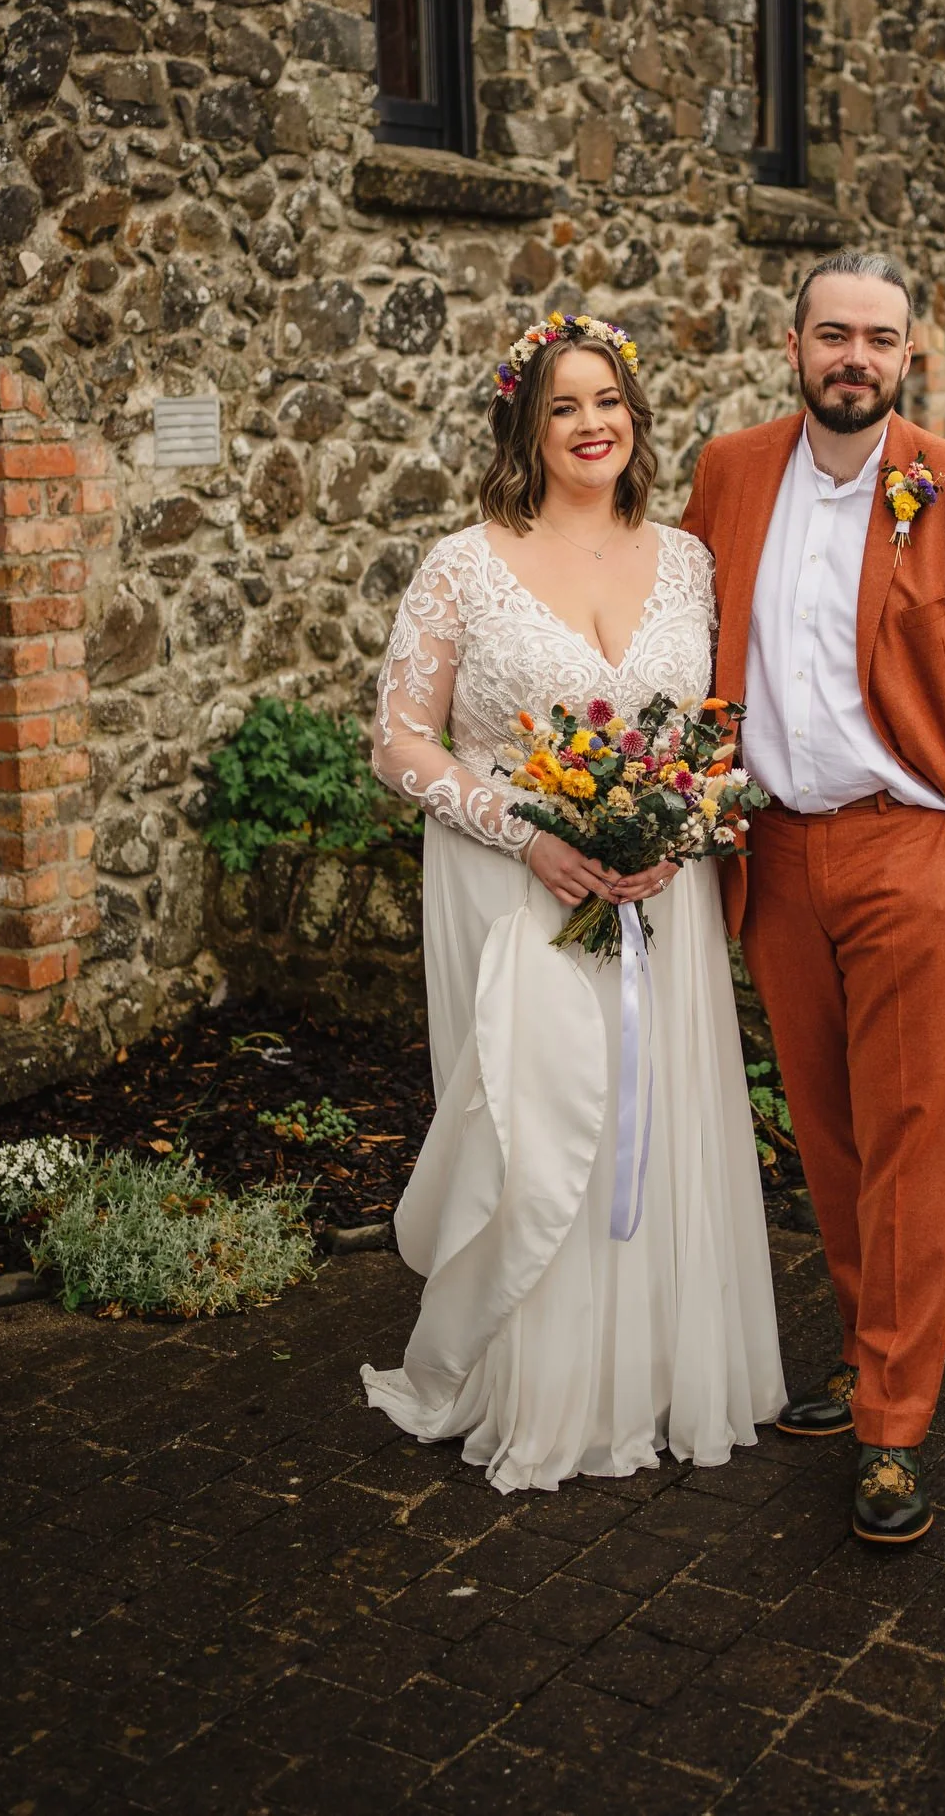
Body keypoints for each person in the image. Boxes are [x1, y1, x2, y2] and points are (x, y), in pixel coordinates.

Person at [682, 250, 945, 1545]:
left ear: (912, 355)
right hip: (779, 854)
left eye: (881, 338)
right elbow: (694, 649)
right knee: (833, 1135)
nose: (856, 356)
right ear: (790, 342)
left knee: (912, 1142)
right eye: (834, 333)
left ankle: (895, 1426)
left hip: (917, 852)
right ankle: (865, 1358)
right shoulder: (731, 472)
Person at [362, 313, 785, 1492]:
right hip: (517, 894)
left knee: (657, 1120)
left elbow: (712, 732)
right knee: (540, 1128)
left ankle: (652, 1372)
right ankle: (533, 1383)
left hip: (661, 900)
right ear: (526, 424)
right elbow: (399, 741)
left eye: (609, 401)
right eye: (564, 406)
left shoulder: (689, 559)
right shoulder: (464, 563)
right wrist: (528, 831)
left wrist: (684, 826)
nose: (592, 424)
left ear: (635, 418)